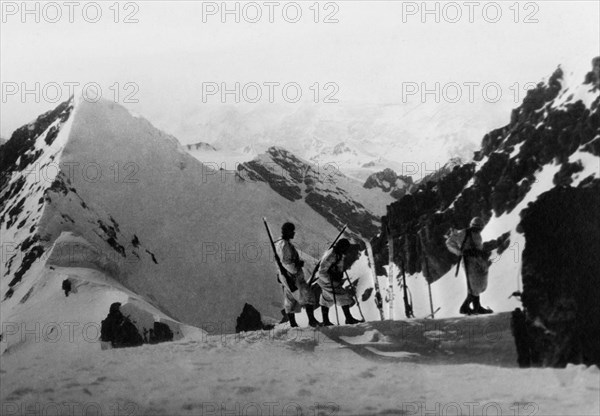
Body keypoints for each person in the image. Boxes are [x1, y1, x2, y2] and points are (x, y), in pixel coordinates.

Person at [275, 222, 321, 327]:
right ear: (287, 232)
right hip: (293, 277)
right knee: (309, 296)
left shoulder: (278, 243)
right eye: (292, 231)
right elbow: (287, 263)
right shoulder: (285, 245)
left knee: (290, 299)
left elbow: (279, 261)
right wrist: (297, 265)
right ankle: (312, 321)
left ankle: (293, 324)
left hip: (285, 276)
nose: (294, 233)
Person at [446, 216, 493, 315]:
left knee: (478, 284)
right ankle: (468, 307)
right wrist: (460, 252)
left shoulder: (477, 235)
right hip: (469, 262)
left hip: (477, 260)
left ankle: (476, 307)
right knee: (473, 285)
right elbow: (449, 242)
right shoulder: (464, 233)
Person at [316, 238, 362, 326]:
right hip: (327, 281)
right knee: (343, 296)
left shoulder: (337, 253)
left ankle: (326, 321)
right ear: (342, 247)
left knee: (326, 299)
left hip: (327, 281)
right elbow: (321, 271)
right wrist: (330, 281)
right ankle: (349, 319)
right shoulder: (332, 255)